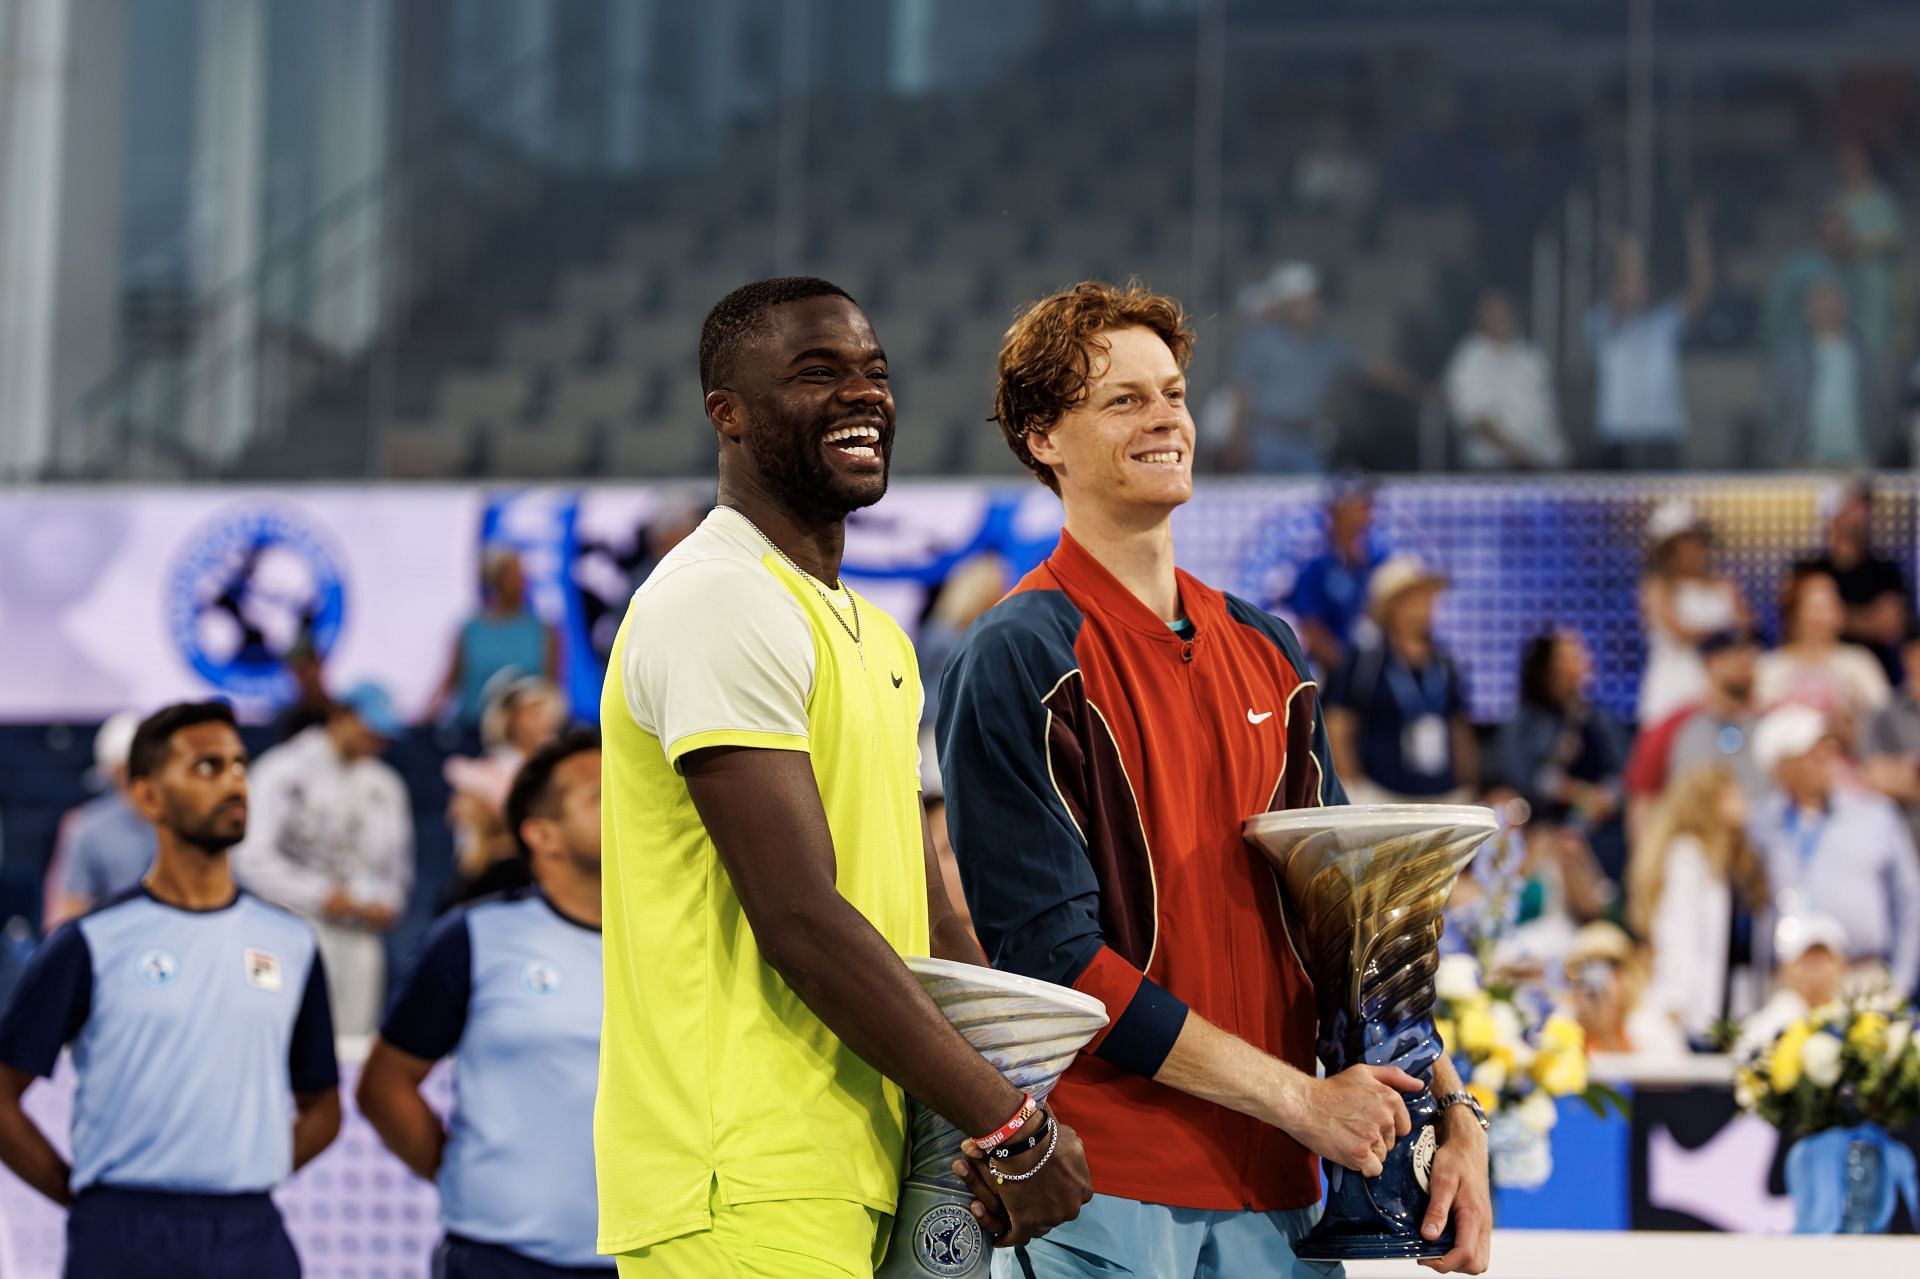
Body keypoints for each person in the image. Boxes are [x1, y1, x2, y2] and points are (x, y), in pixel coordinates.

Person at [941, 280, 1491, 1276]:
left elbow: (1345, 917)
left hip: (1282, 1193)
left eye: (1175, 393)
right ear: (1042, 438)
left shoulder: (1269, 650)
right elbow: (1056, 959)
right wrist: (1302, 1100)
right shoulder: (1021, 651)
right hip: (1105, 1189)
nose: (1164, 417)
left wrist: (1450, 1107)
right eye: (1123, 400)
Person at [596, 277, 1092, 1273]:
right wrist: (1010, 1124)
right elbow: (801, 920)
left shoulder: (874, 633)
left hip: (877, 1160)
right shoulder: (718, 599)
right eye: (816, 373)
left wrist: (1008, 1094)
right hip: (741, 1175)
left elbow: (931, 910)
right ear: (725, 414)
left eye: (873, 372)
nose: (862, 394)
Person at [0, 701, 339, 1279]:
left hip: (249, 1229)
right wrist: (82, 1197)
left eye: (238, 765)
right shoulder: (92, 941)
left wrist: (250, 1169)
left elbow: (323, 1107)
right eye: (207, 767)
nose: (234, 781)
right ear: (147, 796)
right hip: (123, 1228)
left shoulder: (290, 942)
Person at [359, 730, 610, 1278]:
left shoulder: (680, 944)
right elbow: (384, 1086)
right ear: (543, 834)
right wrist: (462, 1174)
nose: (626, 798)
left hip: (648, 1259)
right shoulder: (476, 937)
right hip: (498, 1256)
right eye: (599, 794)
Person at [233, 682, 415, 1038]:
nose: (375, 742)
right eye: (369, 730)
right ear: (342, 716)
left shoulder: (384, 785)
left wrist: (388, 903)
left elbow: (398, 872)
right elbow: (250, 858)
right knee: (289, 1038)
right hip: (289, 926)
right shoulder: (281, 771)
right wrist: (320, 895)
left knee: (353, 1043)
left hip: (360, 934)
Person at [1747, 705, 1920, 998]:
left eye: (1827, 750)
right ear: (1781, 768)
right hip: (1788, 985)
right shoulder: (1758, 825)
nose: (1825, 759)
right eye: (1811, 753)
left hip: (1864, 979)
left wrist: (1900, 983)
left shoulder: (1875, 815)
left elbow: (1911, 901)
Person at [1220, 261, 1427, 474]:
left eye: (1309, 300)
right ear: (1285, 307)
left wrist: (1421, 390)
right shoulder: (1260, 342)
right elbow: (1241, 393)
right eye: (1297, 302)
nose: (1306, 307)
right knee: (1263, 503)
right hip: (1266, 439)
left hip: (1307, 440)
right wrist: (1236, 440)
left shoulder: (1329, 346)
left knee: (1307, 503)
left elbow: (1374, 368)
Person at [1627, 764, 1771, 1048]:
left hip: (1736, 1010)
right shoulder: (1687, 856)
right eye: (1729, 793)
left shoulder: (1737, 864)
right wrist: (1675, 1001)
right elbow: (1676, 932)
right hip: (1695, 1012)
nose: (1742, 798)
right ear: (1706, 804)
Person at [1327, 554, 1478, 806]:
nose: (1423, 609)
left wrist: (1470, 786)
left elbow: (1459, 728)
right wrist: (1353, 790)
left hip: (1443, 797)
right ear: (1390, 608)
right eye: (1413, 600)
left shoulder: (1445, 663)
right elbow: (1339, 724)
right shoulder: (1367, 662)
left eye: (1427, 600)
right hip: (1380, 797)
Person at [1587, 202, 1713, 469]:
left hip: (1663, 434)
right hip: (1618, 436)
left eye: (1643, 280)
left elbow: (1701, 288)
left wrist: (1696, 237)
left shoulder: (1664, 321)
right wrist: (1629, 250)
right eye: (1631, 280)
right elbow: (1625, 297)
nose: (1637, 286)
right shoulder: (1601, 320)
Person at [1498, 629, 1630, 884]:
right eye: (1570, 657)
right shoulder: (1526, 719)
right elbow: (1519, 775)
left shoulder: (1599, 718)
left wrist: (1605, 798)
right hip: (1541, 827)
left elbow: (1623, 773)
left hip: (1597, 831)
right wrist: (1571, 791)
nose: (1581, 663)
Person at [1624, 628, 1766, 840]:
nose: (1745, 664)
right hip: (1693, 847)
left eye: (1750, 655)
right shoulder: (1673, 725)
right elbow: (1643, 797)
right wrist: (1648, 858)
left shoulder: (1773, 723)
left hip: (1761, 848)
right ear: (1709, 663)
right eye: (1734, 656)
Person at [441, 676, 567, 908]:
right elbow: (473, 859)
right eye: (535, 715)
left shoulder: (563, 775)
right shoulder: (479, 779)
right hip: (497, 894)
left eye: (549, 715)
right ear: (510, 721)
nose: (547, 723)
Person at [1636, 501, 1748, 726]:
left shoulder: (1723, 583)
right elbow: (1680, 632)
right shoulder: (1656, 588)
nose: (1692, 549)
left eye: (1696, 541)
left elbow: (1745, 626)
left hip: (1719, 684)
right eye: (1683, 542)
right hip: (1673, 684)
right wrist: (1721, 631)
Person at [42, 711, 157, 929]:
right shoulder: (87, 827)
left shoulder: (181, 820)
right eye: (130, 769)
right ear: (115, 771)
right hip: (113, 947)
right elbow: (66, 913)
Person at [1793, 481, 1910, 686]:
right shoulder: (1809, 568)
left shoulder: (1886, 571)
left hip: (1872, 673)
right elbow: (1792, 622)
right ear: (1832, 513)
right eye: (1851, 505)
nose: (1861, 514)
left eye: (1863, 506)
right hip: (1812, 672)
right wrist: (1866, 618)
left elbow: (1889, 627)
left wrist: (1831, 617)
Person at [1755, 567, 1891, 743]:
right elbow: (1754, 723)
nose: (1826, 615)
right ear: (1795, 613)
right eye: (1817, 606)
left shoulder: (1859, 662)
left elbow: (1887, 722)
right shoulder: (1769, 666)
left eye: (1832, 604)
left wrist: (1853, 729)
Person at [429, 549, 561, 729]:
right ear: (495, 579)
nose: (522, 581)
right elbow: (451, 680)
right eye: (513, 575)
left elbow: (550, 688)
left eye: (523, 575)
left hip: (523, 733)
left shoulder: (543, 630)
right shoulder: (471, 630)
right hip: (473, 728)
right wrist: (425, 717)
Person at [1442, 287, 1567, 471]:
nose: (1501, 317)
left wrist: (1561, 454)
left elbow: (1548, 412)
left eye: (1505, 310)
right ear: (1480, 316)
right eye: (1493, 311)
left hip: (1546, 464)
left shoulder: (1531, 357)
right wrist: (1520, 456)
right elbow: (1477, 421)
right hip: (1495, 470)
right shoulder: (1468, 359)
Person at [1767, 279, 1885, 468]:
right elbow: (1774, 405)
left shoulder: (1863, 352)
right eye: (1821, 302)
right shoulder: (1791, 355)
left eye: (1834, 303)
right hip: (1804, 460)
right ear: (1807, 309)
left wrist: (1877, 445)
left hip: (1858, 460)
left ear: (1845, 307)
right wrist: (1784, 447)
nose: (1828, 309)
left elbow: (1880, 402)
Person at [1283, 472, 1388, 678]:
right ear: (1334, 514)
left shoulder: (1378, 565)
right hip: (1334, 676)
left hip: (1381, 676)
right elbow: (1311, 629)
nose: (1362, 516)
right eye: (1354, 507)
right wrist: (1350, 672)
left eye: (1365, 506)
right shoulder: (1316, 571)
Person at [1563, 922, 1688, 1057]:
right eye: (1586, 969)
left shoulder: (1652, 1028)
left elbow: (1672, 1072)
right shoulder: (1561, 1025)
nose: (1596, 983)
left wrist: (1607, 1035)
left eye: (1609, 967)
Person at [1735, 912, 1851, 1056]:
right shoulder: (1763, 1027)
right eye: (1807, 959)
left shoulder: (1853, 1023)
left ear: (1842, 966)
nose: (1816, 968)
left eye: (1825, 958)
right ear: (1788, 969)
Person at [1832, 140, 1900, 360]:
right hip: (1841, 269)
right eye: (1847, 161)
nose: (1852, 166)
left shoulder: (1880, 198)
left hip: (1873, 273)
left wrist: (1860, 244)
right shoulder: (1837, 198)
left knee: (1874, 325)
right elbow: (1828, 232)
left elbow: (1891, 238)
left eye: (1857, 160)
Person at [1761, 207, 1858, 356]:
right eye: (1831, 235)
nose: (1836, 240)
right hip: (1794, 350)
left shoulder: (1843, 270)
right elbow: (1775, 309)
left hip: (1828, 348)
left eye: (1840, 234)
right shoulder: (1798, 266)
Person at [1859, 619, 1920, 848]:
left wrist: (1908, 771)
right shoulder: (1883, 715)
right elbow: (1875, 779)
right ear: (1909, 655)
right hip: (1905, 841)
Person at [1292, 112, 1378, 217]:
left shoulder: (1360, 166)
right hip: (1312, 223)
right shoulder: (1309, 163)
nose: (1335, 135)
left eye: (1340, 130)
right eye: (1330, 130)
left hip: (1349, 225)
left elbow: (1365, 200)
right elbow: (1302, 197)